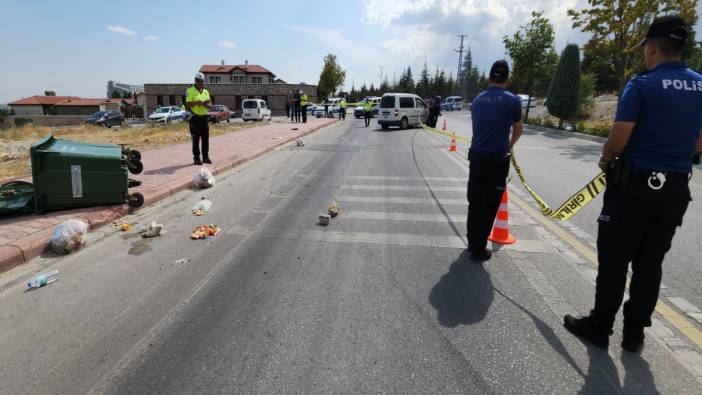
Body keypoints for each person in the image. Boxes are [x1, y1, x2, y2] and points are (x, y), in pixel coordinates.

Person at [564, 15, 702, 353]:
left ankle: (600, 326)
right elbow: (699, 143)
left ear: (652, 47)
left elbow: (618, 138)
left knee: (614, 261)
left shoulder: (642, 85)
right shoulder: (700, 85)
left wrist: (606, 158)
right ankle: (635, 334)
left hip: (633, 188)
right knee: (649, 263)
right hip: (673, 190)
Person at [466, 60, 523, 261]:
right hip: (497, 160)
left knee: (475, 201)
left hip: (477, 157)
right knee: (489, 205)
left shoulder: (477, 100)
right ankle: (478, 249)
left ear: (489, 78)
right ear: (507, 79)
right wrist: (510, 144)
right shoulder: (513, 100)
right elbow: (518, 129)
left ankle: (471, 242)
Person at [186, 72, 212, 165]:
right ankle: (196, 158)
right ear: (195, 81)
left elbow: (210, 105)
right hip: (195, 117)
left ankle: (205, 157)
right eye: (199, 81)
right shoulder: (190, 90)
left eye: (202, 81)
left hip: (204, 118)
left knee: (205, 139)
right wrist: (196, 103)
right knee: (196, 139)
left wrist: (206, 104)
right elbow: (188, 104)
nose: (201, 83)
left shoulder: (206, 91)